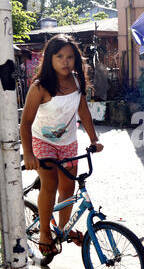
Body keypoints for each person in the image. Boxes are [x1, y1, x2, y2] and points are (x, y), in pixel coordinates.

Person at [20, 34, 104, 255]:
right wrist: (28, 153)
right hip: (43, 141)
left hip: (68, 142)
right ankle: (45, 233)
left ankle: (64, 229)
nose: (65, 61)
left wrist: (94, 139)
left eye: (70, 57)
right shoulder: (40, 86)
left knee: (69, 187)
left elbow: (83, 111)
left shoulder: (76, 81)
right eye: (60, 57)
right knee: (50, 184)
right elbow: (26, 122)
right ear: (50, 58)